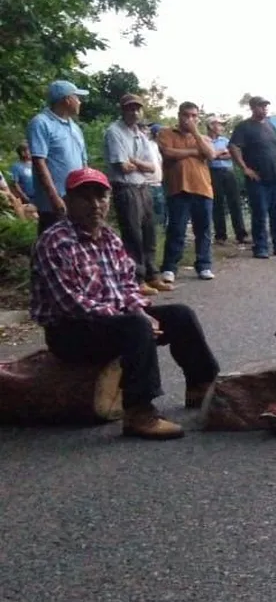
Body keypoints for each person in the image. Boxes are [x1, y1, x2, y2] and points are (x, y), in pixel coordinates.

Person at [30, 168, 220, 440]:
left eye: (101, 197)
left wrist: (140, 310)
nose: (95, 205)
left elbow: (127, 286)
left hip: (113, 320)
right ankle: (139, 413)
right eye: (85, 198)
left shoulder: (109, 238)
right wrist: (135, 318)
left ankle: (201, 386)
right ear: (68, 201)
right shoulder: (55, 243)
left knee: (180, 315)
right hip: (70, 332)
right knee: (135, 326)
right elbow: (71, 304)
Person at [104, 93, 171, 297]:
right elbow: (122, 166)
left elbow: (151, 167)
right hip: (126, 188)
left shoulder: (140, 134)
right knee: (133, 235)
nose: (134, 112)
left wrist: (135, 162)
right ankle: (136, 279)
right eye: (130, 108)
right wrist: (136, 163)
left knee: (149, 232)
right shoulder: (114, 132)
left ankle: (152, 274)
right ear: (122, 110)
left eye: (137, 108)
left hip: (143, 187)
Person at [229, 96, 276, 260]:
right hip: (258, 179)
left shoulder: (270, 126)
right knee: (259, 213)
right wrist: (245, 168)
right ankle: (260, 247)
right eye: (261, 106)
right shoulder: (244, 127)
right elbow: (233, 146)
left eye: (266, 106)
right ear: (252, 107)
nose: (264, 108)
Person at [157, 102, 217, 281]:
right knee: (176, 229)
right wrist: (193, 152)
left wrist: (196, 133)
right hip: (178, 188)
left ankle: (204, 265)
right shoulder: (166, 133)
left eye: (194, 116)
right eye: (186, 115)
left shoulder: (203, 137)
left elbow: (211, 154)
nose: (190, 119)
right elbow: (167, 153)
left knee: (204, 230)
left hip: (203, 188)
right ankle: (170, 267)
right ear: (179, 115)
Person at [27, 80, 88, 234]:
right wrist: (54, 197)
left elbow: (83, 163)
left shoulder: (75, 127)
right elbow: (39, 162)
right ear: (67, 99)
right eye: (77, 97)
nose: (79, 102)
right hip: (54, 202)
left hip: (76, 198)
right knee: (50, 241)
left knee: (75, 242)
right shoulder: (41, 123)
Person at [206, 118, 248, 247]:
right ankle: (220, 236)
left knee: (235, 202)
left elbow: (232, 154)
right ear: (211, 126)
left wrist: (216, 155)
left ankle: (241, 234)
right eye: (219, 124)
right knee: (217, 203)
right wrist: (219, 153)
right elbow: (208, 155)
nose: (222, 127)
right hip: (213, 172)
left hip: (229, 172)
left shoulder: (225, 140)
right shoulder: (205, 140)